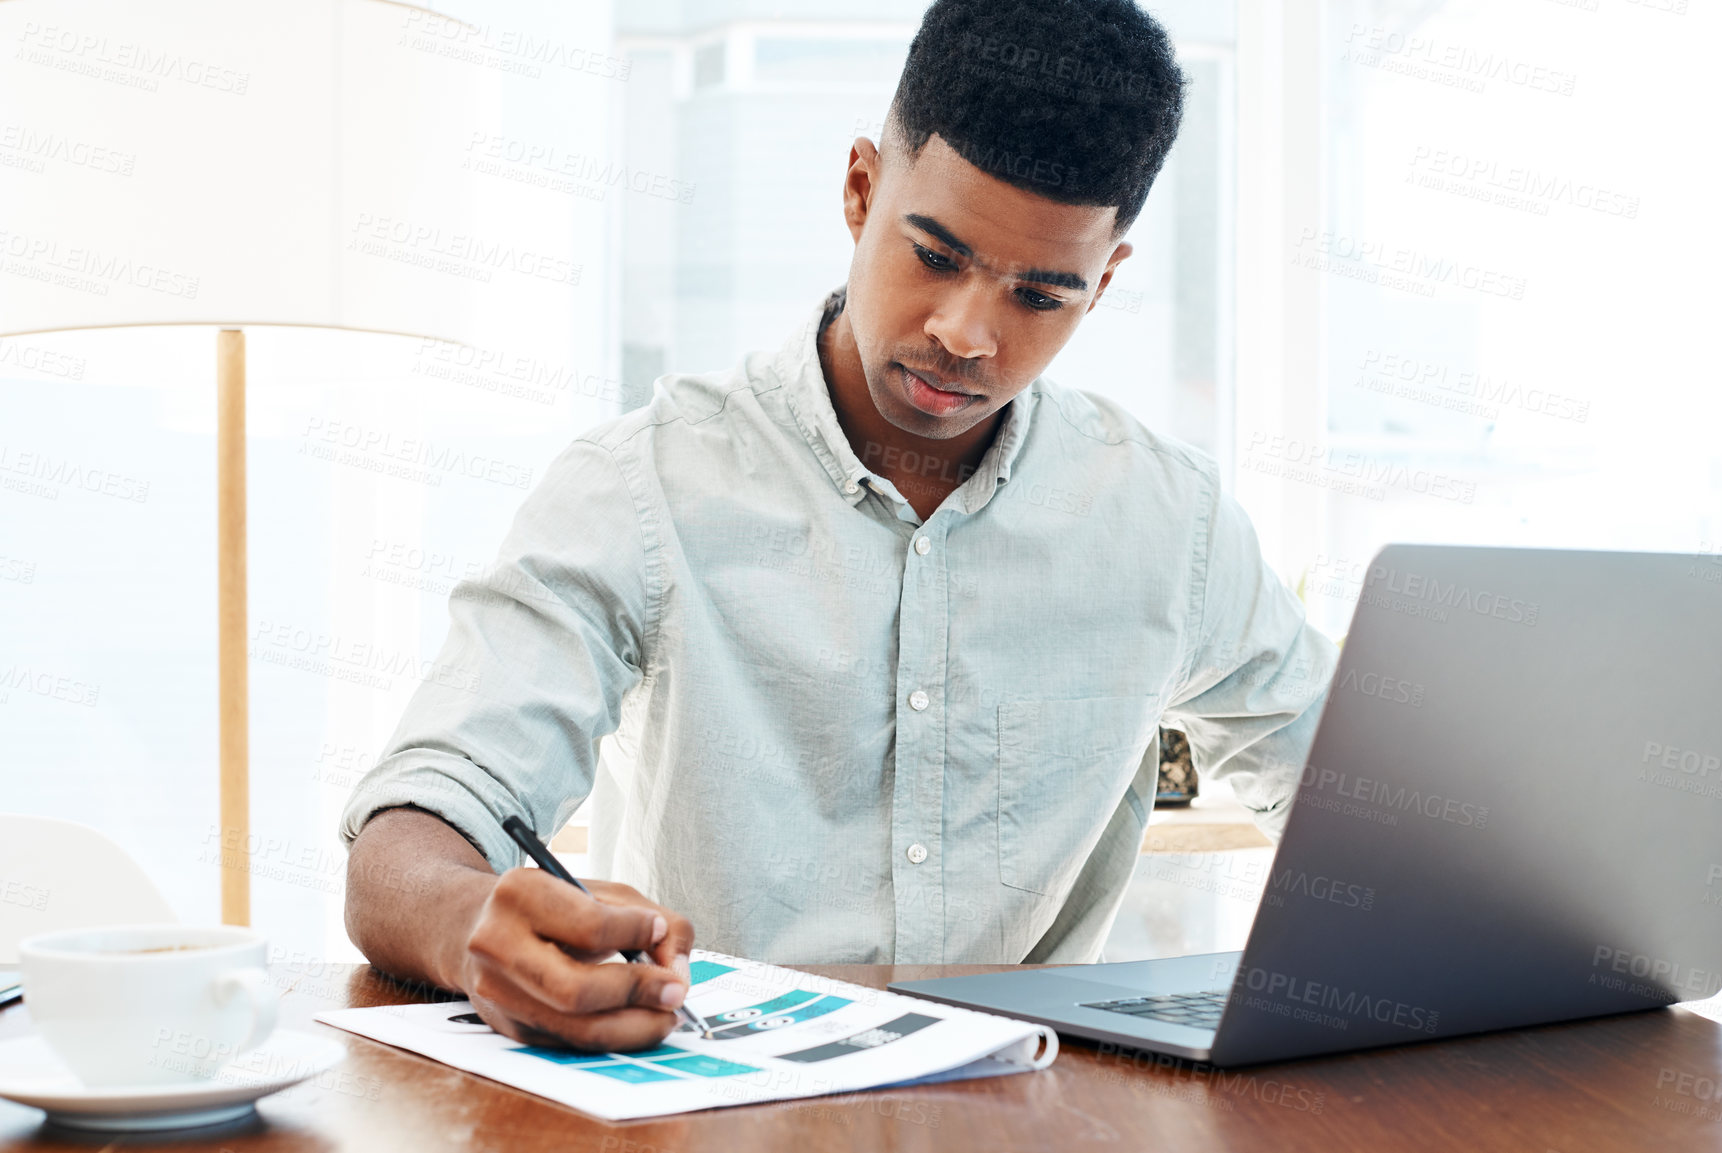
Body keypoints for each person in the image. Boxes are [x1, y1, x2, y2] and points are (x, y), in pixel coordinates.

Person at [341, 0, 1338, 1054]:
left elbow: (1376, 812)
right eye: (936, 256)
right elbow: (410, 832)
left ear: (1102, 284)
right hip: (704, 1108)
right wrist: (468, 927)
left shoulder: (1164, 524)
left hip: (1027, 1116)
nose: (966, 336)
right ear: (860, 189)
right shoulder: (641, 488)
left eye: (1039, 296)